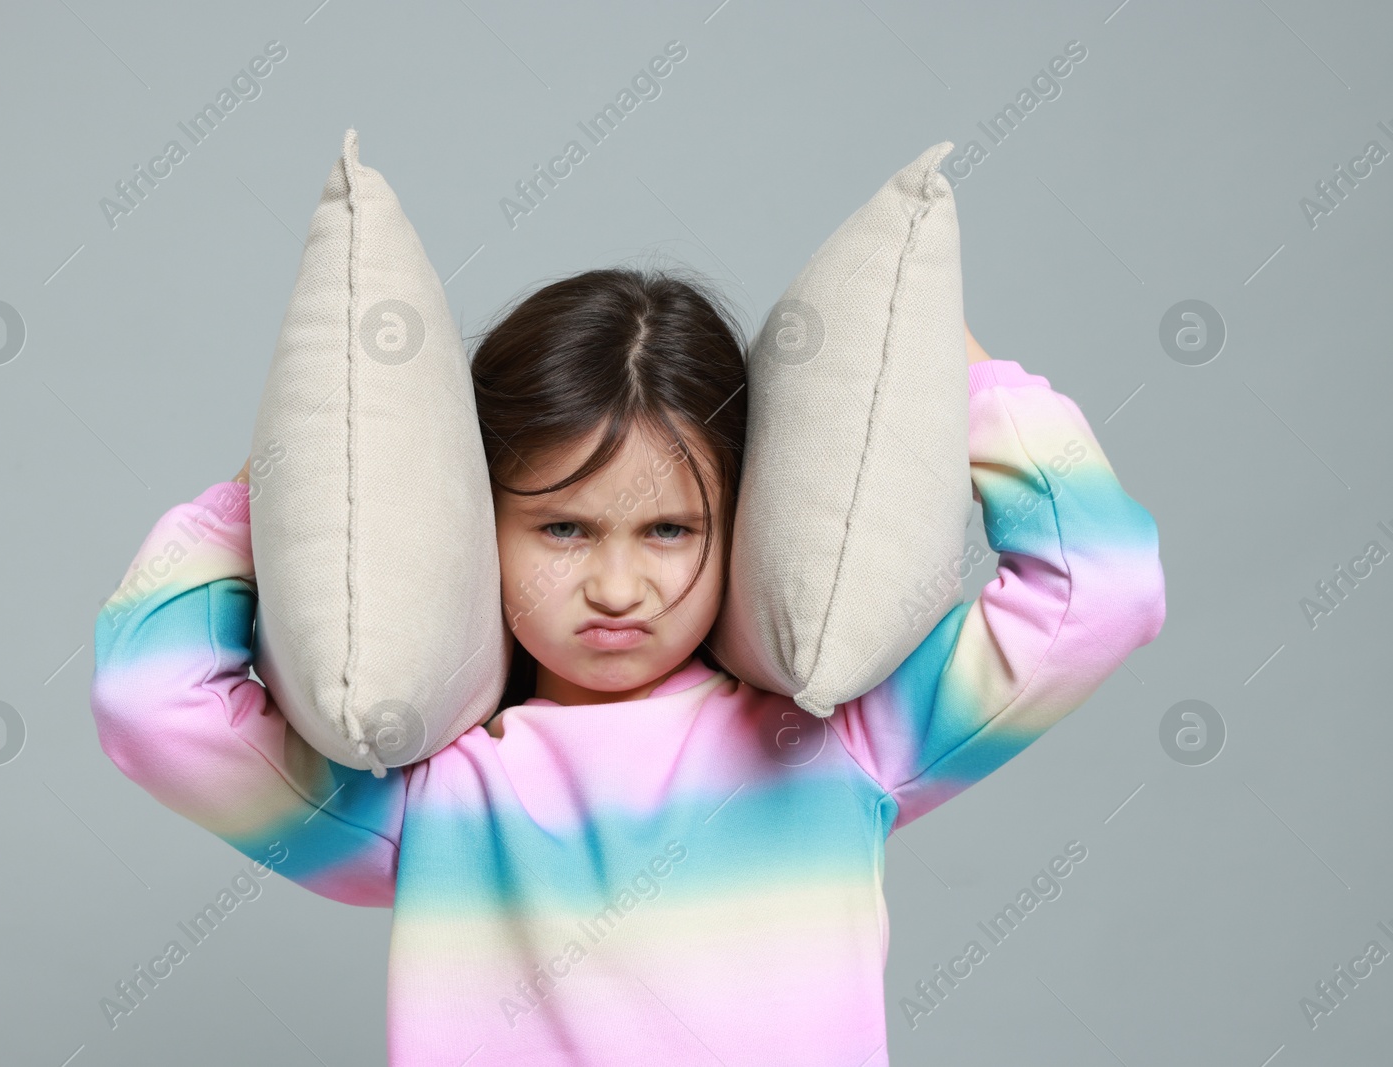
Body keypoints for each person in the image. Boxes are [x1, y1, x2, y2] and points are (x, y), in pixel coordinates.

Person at [90, 267, 1165, 1065]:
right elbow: (152, 703)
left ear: (742, 524)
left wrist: (963, 375)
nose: (617, 587)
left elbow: (1102, 588)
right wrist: (274, 480)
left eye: (669, 529)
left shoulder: (840, 740)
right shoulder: (434, 798)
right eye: (561, 529)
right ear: (476, 526)